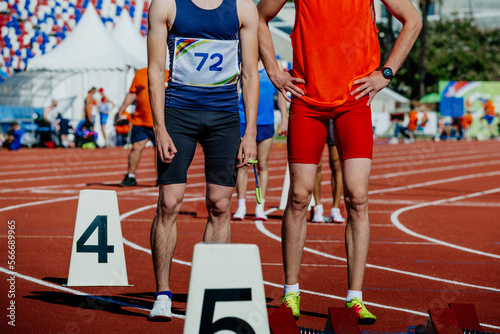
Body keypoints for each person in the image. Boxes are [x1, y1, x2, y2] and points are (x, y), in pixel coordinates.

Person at [258, 0, 421, 323]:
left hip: (354, 102)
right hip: (307, 100)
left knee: (358, 198)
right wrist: (275, 72)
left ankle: (355, 298)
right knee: (299, 196)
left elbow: (413, 20)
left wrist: (386, 73)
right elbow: (259, 16)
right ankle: (291, 291)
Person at [147, 0, 259, 321]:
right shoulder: (166, 5)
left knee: (220, 205)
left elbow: (250, 73)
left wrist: (249, 132)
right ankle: (163, 294)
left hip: (224, 117)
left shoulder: (243, 8)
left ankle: (208, 290)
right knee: (169, 202)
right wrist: (160, 129)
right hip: (178, 114)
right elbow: (155, 70)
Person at [233, 58, 288, 221]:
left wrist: (284, 120)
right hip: (243, 120)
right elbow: (236, 92)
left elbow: (281, 93)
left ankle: (260, 207)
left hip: (266, 121)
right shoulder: (242, 62)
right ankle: (241, 206)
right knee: (242, 164)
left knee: (262, 164)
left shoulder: (275, 64)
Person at [117, 67, 168, 186]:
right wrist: (121, 110)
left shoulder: (167, 74)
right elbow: (132, 93)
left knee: (160, 150)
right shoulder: (140, 73)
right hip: (140, 120)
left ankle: (161, 178)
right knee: (136, 147)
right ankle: (130, 176)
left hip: (161, 121)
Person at [312, 120, 345, 224]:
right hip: (318, 115)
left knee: (336, 165)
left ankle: (336, 209)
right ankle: (317, 207)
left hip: (334, 116)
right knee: (317, 164)